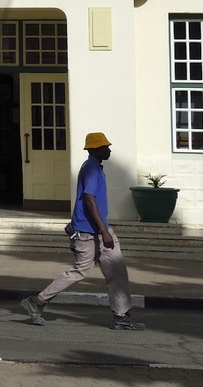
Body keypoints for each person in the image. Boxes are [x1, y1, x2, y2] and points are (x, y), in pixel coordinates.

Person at [21, 131, 146, 330]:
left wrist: (104, 230)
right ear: (96, 149)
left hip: (98, 230)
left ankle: (121, 317)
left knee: (117, 270)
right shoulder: (91, 169)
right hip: (88, 232)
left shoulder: (94, 167)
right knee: (80, 270)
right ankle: (37, 301)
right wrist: (104, 232)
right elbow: (89, 199)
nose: (109, 149)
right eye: (106, 147)